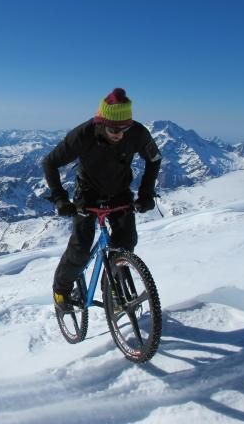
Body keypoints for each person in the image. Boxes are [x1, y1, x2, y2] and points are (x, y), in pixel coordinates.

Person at [42, 88, 161, 312]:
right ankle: (61, 290)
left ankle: (114, 290)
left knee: (125, 244)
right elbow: (49, 163)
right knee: (80, 249)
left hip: (120, 194)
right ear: (101, 122)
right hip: (87, 196)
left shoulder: (137, 133)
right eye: (114, 128)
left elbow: (154, 159)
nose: (120, 134)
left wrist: (146, 194)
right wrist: (60, 199)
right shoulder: (83, 135)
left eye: (124, 128)